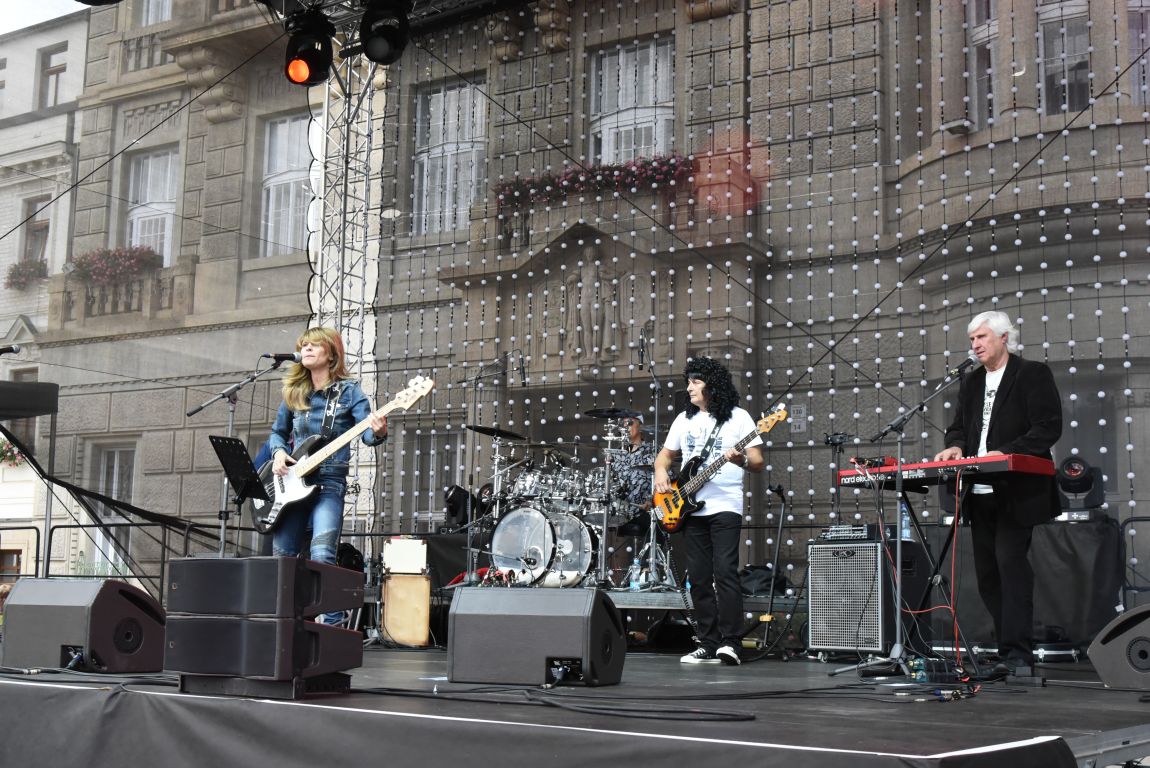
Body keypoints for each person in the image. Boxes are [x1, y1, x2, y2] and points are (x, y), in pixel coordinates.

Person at [933, 310, 1062, 677]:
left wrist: (1004, 453)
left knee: (1010, 566)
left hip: (1016, 489)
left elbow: (1048, 427)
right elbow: (958, 427)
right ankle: (1007, 649)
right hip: (979, 491)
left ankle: (1019, 653)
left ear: (1004, 337)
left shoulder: (1032, 374)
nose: (975, 345)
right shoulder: (972, 382)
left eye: (982, 337)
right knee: (988, 574)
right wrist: (955, 446)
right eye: (972, 339)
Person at [267, 327, 387, 621]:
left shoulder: (350, 392)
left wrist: (378, 431)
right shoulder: (295, 393)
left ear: (331, 354)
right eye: (303, 345)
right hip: (293, 484)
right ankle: (284, 624)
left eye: (314, 345)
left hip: (329, 483)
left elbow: (367, 435)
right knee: (282, 556)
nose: (306, 349)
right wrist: (279, 453)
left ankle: (331, 629)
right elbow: (277, 433)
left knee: (322, 554)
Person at [654, 356, 764, 665]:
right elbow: (664, 457)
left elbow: (757, 461)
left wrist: (740, 460)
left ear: (712, 385)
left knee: (725, 572)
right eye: (688, 382)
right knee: (699, 578)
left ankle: (731, 642)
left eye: (696, 382)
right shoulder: (684, 420)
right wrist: (661, 473)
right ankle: (708, 641)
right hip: (690, 509)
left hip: (725, 506)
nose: (689, 387)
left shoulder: (739, 418)